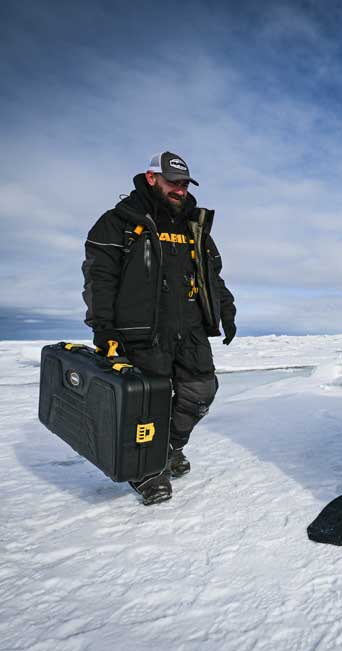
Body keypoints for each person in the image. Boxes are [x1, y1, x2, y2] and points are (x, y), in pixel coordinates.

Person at [82, 151, 237, 505]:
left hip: (191, 329)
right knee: (146, 405)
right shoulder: (119, 222)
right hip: (141, 332)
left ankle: (165, 449)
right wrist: (103, 328)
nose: (180, 191)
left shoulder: (194, 226)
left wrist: (226, 311)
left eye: (184, 184)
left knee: (200, 391)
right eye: (173, 183)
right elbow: (99, 279)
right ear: (152, 178)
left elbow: (213, 275)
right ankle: (146, 471)